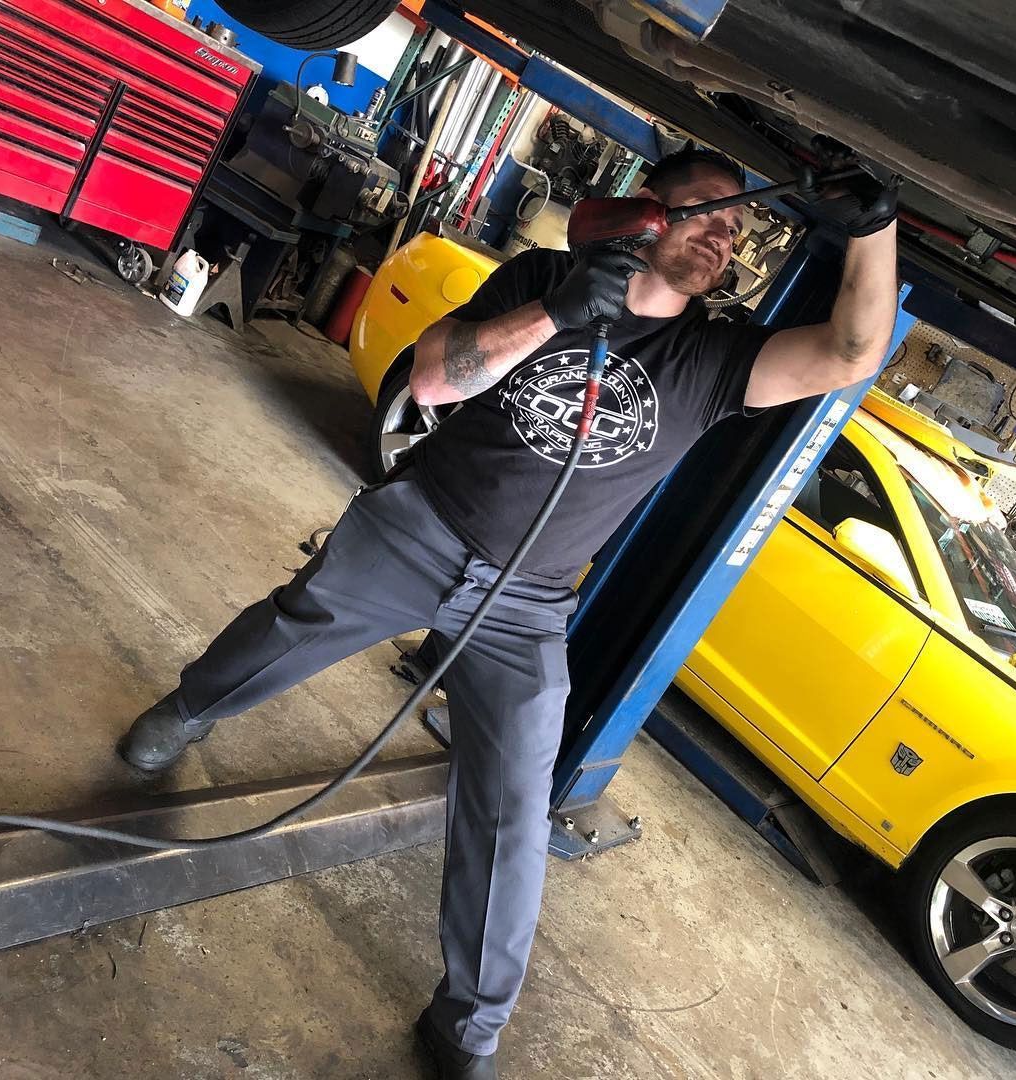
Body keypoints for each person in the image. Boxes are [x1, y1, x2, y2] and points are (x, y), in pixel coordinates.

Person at [120, 148, 898, 1079]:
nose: (722, 235)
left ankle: (467, 1028)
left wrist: (874, 231)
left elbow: (851, 353)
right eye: (705, 211)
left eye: (736, 228)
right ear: (642, 211)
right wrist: (556, 316)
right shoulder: (544, 277)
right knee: (289, 631)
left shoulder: (717, 359)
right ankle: (189, 709)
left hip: (527, 605)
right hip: (419, 526)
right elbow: (436, 382)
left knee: (512, 811)